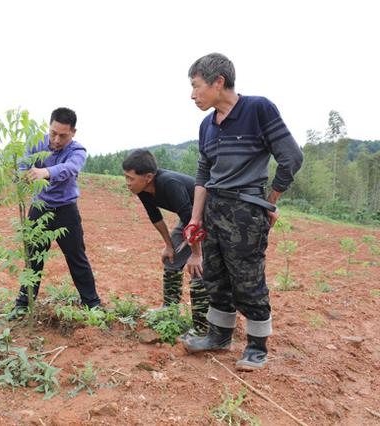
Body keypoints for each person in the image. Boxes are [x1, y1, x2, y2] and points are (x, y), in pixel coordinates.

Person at [182, 53, 303, 370]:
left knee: (247, 280)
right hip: (214, 209)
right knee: (216, 278)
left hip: (246, 211)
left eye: (196, 86)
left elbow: (291, 157)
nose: (192, 95)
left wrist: (270, 200)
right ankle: (218, 336)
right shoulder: (207, 125)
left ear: (218, 82)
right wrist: (195, 217)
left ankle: (257, 347)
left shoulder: (258, 109)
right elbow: (202, 175)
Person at [11, 107, 100, 316]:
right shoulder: (36, 143)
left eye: (63, 135)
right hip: (39, 208)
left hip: (66, 210)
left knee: (76, 257)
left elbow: (70, 168)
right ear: (48, 127)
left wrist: (45, 172)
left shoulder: (78, 151)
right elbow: (23, 164)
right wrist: (21, 174)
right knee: (33, 258)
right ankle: (23, 304)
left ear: (73, 133)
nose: (57, 139)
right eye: (53, 133)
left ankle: (92, 304)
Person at [122, 149, 209, 340]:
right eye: (125, 177)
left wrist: (196, 254)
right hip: (188, 220)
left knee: (199, 269)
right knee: (171, 259)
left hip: (207, 216)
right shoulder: (142, 189)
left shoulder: (169, 183)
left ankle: (203, 328)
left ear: (148, 177)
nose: (127, 183)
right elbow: (156, 217)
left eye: (130, 178)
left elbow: (190, 219)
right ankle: (169, 309)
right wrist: (169, 245)